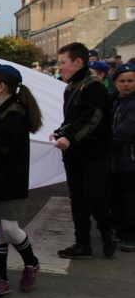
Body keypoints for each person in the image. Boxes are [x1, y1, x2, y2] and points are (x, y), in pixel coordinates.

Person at [51, 42, 116, 259]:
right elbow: (73, 119)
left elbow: (92, 118)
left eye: (63, 63)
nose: (60, 68)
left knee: (94, 195)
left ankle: (108, 232)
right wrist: (60, 132)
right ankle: (82, 244)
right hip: (75, 154)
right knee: (77, 198)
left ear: (78, 62)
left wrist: (69, 136)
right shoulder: (71, 88)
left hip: (96, 151)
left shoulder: (93, 87)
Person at [0, 64, 43, 295]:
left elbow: (3, 146)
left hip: (9, 181)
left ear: (2, 86)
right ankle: (2, 278)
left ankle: (31, 262)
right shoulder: (0, 108)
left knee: (9, 228)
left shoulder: (14, 112)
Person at [109, 62, 135, 252]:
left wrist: (101, 143)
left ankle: (131, 235)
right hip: (114, 161)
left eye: (130, 81)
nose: (126, 84)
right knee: (115, 198)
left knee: (130, 200)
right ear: (116, 82)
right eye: (122, 81)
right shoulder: (114, 102)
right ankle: (120, 231)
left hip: (130, 161)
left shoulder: (131, 105)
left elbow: (124, 132)